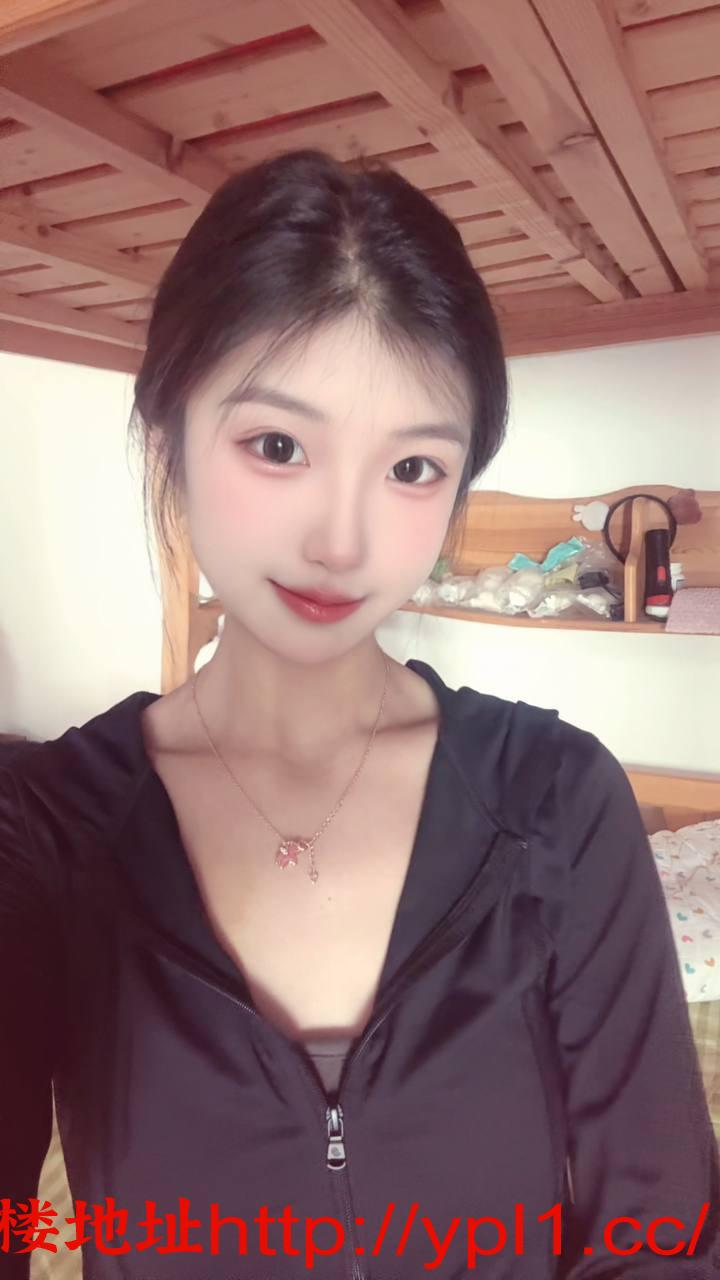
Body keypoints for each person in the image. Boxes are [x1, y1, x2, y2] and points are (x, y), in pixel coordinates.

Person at [1, 148, 717, 1280]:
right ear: (167, 437)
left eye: (414, 468)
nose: (343, 540)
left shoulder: (557, 803)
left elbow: (661, 1238)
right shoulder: (45, 833)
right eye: (278, 445)